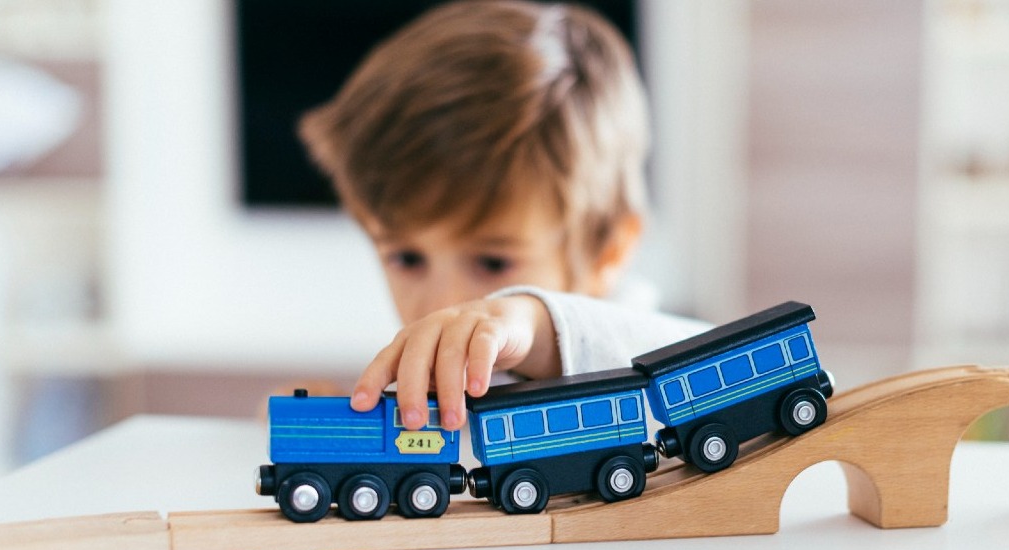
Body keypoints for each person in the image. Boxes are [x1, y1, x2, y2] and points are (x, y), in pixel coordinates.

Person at [299, 0, 708, 433]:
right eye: (407, 258)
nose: (445, 303)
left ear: (608, 252)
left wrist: (536, 325)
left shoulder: (638, 350)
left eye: (493, 262)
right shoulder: (441, 368)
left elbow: (711, 368)